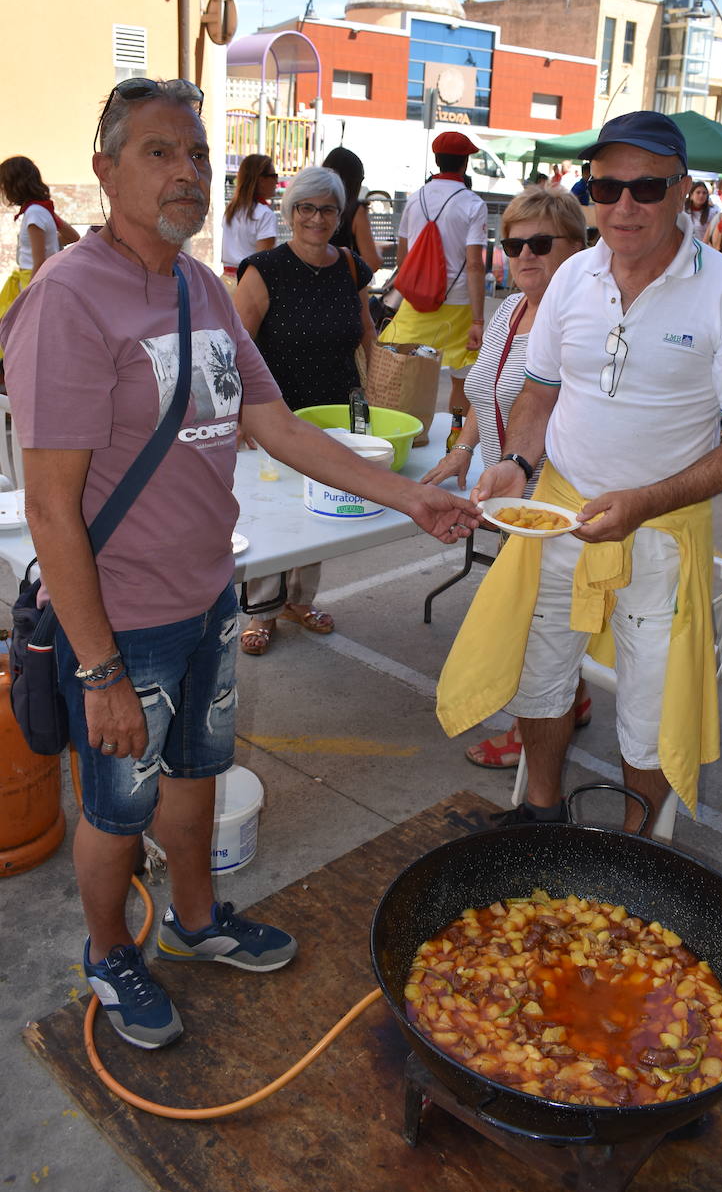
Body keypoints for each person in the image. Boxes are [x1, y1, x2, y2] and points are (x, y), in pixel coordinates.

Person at [0, 77, 478, 1051]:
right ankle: (107, 954)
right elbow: (49, 504)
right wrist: (96, 669)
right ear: (105, 172)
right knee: (114, 808)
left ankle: (195, 919)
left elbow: (269, 422)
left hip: (209, 596)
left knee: (195, 781)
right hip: (120, 624)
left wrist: (407, 494)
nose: (186, 172)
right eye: (158, 153)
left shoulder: (203, 288)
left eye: (197, 155)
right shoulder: (66, 300)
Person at [437, 111, 722, 836]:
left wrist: (646, 500)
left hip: (658, 532)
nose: (625, 205)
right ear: (588, 191)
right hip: (558, 515)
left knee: (650, 707)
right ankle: (540, 811)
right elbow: (539, 394)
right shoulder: (571, 281)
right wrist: (516, 463)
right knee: (540, 672)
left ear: (685, 190)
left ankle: (635, 850)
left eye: (648, 187)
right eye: (607, 186)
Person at [421, 186, 592, 769]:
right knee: (547, 616)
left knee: (531, 620)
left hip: (554, 502)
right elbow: (482, 395)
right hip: (509, 496)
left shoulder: (584, 323)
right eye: (513, 243)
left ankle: (530, 731)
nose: (524, 255)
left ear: (579, 247)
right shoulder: (507, 313)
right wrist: (464, 450)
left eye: (541, 243)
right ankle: (576, 697)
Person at [233, 165, 376, 654]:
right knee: (271, 515)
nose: (317, 218)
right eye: (306, 208)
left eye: (328, 209)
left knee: (319, 511)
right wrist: (236, 413)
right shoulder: (263, 269)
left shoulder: (352, 267)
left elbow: (367, 333)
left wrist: (377, 393)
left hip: (337, 410)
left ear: (340, 215)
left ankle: (298, 599)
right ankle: (262, 610)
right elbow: (233, 346)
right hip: (277, 411)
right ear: (290, 212)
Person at [378, 131, 487, 414]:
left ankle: (404, 429)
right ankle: (455, 442)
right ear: (465, 163)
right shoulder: (473, 204)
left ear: (437, 161)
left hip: (417, 300)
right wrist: (478, 319)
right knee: (460, 381)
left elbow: (403, 257)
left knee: (400, 369)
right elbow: (475, 264)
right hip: (459, 302)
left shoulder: (415, 200)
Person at [0, 155, 79, 333]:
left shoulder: (33, 214)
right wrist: (51, 242)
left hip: (30, 279)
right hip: (35, 278)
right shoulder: (42, 209)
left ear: (15, 185)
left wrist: (27, 298)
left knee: (10, 329)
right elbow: (72, 236)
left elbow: (39, 261)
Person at [322, 146, 384, 273]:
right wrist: (379, 251)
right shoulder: (355, 210)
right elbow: (372, 263)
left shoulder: (313, 206)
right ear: (354, 181)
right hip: (341, 286)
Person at [220, 154, 277, 286]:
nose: (277, 181)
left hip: (225, 282)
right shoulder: (265, 214)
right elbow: (263, 262)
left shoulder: (231, 210)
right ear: (261, 180)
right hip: (248, 284)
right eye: (274, 176)